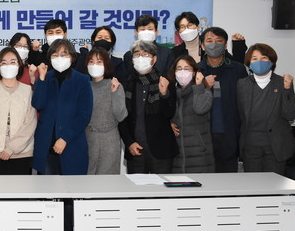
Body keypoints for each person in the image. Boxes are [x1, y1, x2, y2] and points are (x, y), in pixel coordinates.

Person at [32, 40, 93, 175]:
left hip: (71, 142)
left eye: (64, 54)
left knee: (72, 186)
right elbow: (38, 104)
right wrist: (41, 79)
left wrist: (65, 138)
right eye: (55, 55)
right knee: (46, 186)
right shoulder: (45, 77)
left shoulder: (82, 80)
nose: (59, 58)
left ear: (72, 57)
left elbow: (84, 115)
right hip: (46, 143)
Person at [119, 40, 177, 174]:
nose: (140, 58)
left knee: (162, 187)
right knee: (136, 187)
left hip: (161, 150)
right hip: (135, 149)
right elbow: (121, 118)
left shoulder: (165, 82)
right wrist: (129, 142)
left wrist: (164, 94)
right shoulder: (126, 84)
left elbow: (169, 113)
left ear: (154, 59)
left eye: (145, 54)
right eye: (137, 54)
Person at [237, 44, 295, 175]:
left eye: (263, 57)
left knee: (274, 184)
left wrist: (287, 89)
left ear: (271, 61)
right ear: (249, 63)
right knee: (253, 184)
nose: (259, 61)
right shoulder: (242, 84)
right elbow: (240, 115)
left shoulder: (282, 82)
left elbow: (290, 115)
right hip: (250, 145)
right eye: (254, 58)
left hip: (276, 145)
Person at [197, 27, 248, 172]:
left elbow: (244, 103)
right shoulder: (196, 70)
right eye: (209, 41)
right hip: (203, 135)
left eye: (219, 41)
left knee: (228, 178)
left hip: (230, 133)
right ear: (202, 46)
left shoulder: (238, 69)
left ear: (225, 45)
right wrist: (203, 86)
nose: (214, 44)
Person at [0, 47, 37, 175]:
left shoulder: (28, 90)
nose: (8, 66)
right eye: (4, 63)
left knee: (21, 187)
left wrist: (11, 148)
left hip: (22, 153)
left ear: (19, 64)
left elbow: (30, 124)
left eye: (13, 62)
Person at [85, 47, 127, 175]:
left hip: (109, 139)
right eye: (91, 62)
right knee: (86, 179)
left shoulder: (114, 85)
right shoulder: (83, 86)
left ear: (106, 65)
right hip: (87, 138)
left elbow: (121, 115)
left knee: (107, 179)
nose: (94, 65)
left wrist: (114, 93)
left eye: (99, 62)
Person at [169, 55, 214, 173]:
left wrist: (199, 86)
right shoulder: (172, 95)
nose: (182, 72)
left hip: (200, 156)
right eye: (179, 69)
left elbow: (200, 109)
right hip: (177, 157)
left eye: (187, 68)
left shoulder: (204, 92)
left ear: (194, 72)